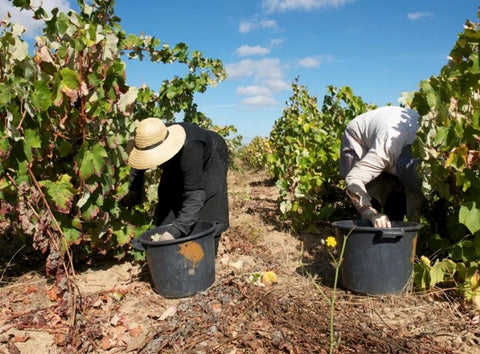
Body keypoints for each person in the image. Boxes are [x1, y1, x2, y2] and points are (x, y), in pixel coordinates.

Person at [120, 117, 229, 241]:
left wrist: (173, 233)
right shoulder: (149, 137)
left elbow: (195, 195)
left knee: (206, 218)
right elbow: (138, 166)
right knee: (166, 209)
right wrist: (134, 191)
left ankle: (203, 253)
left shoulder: (192, 147)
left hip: (209, 159)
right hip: (180, 157)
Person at [339, 106, 423, 228]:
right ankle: (366, 232)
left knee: (396, 200)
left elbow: (413, 191)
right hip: (358, 138)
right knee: (369, 197)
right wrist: (371, 213)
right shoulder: (386, 148)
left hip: (393, 132)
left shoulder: (427, 151)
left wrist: (414, 226)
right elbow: (353, 179)